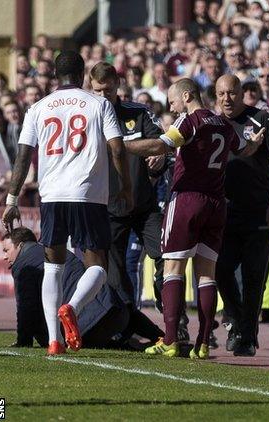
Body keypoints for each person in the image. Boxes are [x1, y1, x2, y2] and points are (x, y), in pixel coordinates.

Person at [1, 50, 132, 356]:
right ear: (83, 72)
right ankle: (71, 307)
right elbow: (117, 149)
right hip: (88, 195)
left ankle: (53, 341)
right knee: (98, 265)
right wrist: (125, 187)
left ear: (56, 74)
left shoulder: (37, 108)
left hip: (52, 196)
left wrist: (12, 198)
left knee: (53, 267)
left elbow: (23, 156)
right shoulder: (99, 104)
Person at [123, 78, 264, 359]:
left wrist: (119, 145)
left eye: (173, 101)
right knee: (206, 274)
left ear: (186, 96)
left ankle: (171, 339)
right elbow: (244, 149)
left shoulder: (189, 121)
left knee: (173, 268)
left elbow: (159, 146)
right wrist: (256, 142)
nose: (172, 108)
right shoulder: (223, 123)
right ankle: (201, 343)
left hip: (187, 199)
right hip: (215, 203)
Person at [88, 62, 173, 341]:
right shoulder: (88, 119)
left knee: (165, 254)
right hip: (109, 207)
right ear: (90, 87)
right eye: (97, 91)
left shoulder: (138, 113)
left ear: (118, 86)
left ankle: (172, 315)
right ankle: (127, 326)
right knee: (117, 271)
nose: (103, 96)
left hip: (144, 205)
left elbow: (160, 145)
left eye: (108, 90)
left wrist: (155, 159)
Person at [215, 74, 269, 357]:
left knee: (255, 277)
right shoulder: (214, 123)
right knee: (221, 269)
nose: (226, 99)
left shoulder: (264, 120)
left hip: (260, 211)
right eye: (221, 94)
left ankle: (247, 336)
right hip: (225, 212)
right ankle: (234, 317)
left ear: (241, 93)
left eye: (231, 93)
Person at [2, 227, 129, 349]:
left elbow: (27, 306)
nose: (5, 256)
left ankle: (57, 340)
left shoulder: (23, 264)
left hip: (83, 326)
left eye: (6, 250)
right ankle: (140, 339)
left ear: (20, 245)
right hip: (116, 311)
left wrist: (24, 340)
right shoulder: (55, 251)